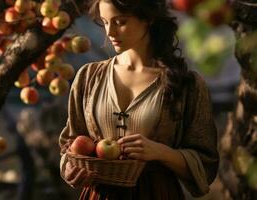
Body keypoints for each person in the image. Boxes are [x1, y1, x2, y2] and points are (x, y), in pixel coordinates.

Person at [58, 0, 219, 199]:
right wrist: (70, 171)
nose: (110, 33)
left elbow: (206, 165)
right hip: (98, 194)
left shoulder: (187, 85)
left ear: (148, 18)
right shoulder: (89, 77)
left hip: (157, 193)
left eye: (120, 22)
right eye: (105, 22)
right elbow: (69, 145)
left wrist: (160, 152)